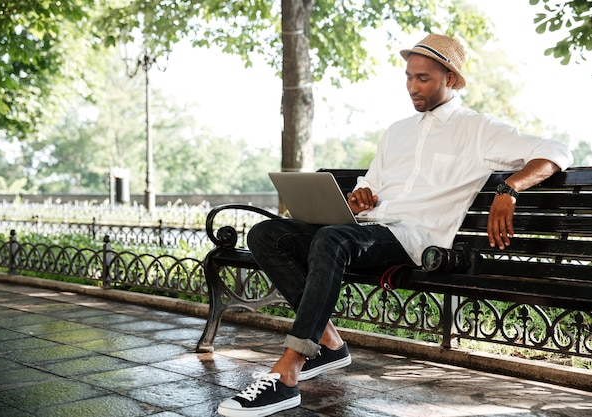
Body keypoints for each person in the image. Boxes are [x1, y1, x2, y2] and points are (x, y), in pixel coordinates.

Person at [217, 33, 573, 417]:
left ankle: (287, 374)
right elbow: (371, 182)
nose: (412, 88)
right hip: (366, 229)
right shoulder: (397, 131)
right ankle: (329, 343)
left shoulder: (478, 130)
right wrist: (360, 195)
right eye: (408, 77)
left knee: (331, 239)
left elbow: (556, 150)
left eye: (423, 78)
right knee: (266, 234)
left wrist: (509, 188)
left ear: (450, 79)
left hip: (414, 239)